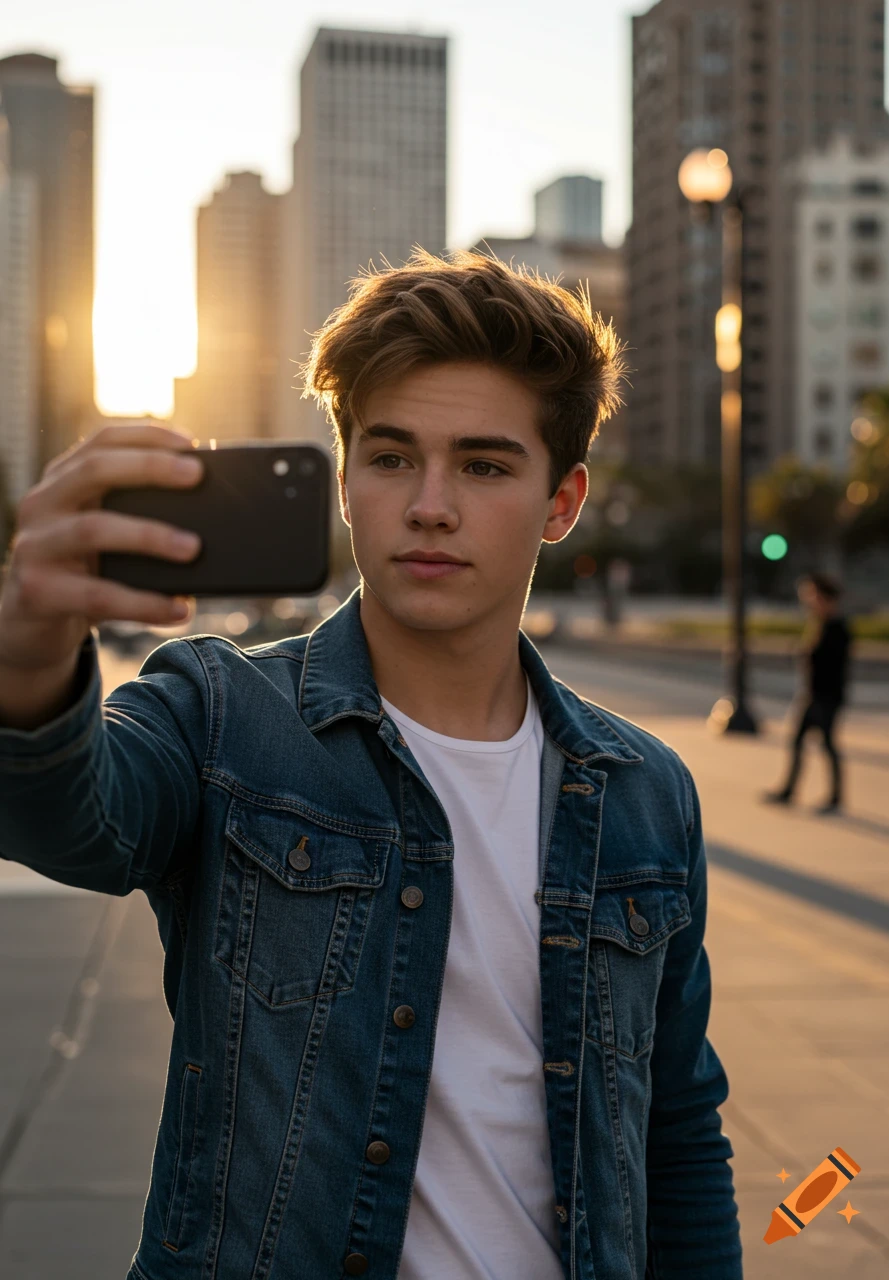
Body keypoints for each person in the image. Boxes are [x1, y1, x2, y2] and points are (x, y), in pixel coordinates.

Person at [0, 249, 742, 1279]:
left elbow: (676, 1127)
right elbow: (66, 816)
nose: (430, 504)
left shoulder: (645, 790)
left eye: (483, 465)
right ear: (345, 478)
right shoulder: (222, 714)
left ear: (560, 501)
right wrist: (30, 654)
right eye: (391, 457)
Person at [761, 572, 852, 815]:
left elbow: (831, 664)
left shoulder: (837, 627)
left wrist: (807, 654)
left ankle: (835, 797)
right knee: (797, 741)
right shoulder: (819, 624)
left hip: (827, 696)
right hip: (811, 695)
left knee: (828, 744)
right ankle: (789, 790)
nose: (808, 601)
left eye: (811, 595)